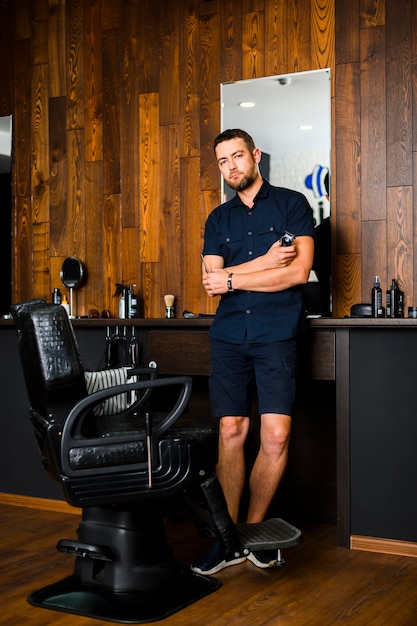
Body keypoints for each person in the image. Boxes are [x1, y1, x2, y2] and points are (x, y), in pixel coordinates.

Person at [191, 129, 315, 575]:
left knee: (276, 435)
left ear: (255, 155)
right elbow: (210, 283)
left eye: (238, 157)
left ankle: (253, 532)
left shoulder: (292, 205)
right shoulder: (216, 220)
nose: (231, 168)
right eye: (223, 161)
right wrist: (264, 262)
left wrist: (232, 278)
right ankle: (227, 541)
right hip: (228, 337)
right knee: (230, 432)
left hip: (277, 333)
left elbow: (299, 272)